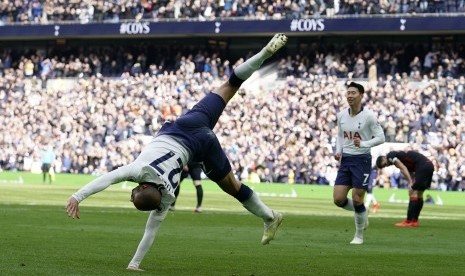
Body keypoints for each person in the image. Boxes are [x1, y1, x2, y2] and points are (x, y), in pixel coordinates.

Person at [66, 33, 288, 271]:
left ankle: (269, 216)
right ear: (142, 187)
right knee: (230, 84)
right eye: (133, 196)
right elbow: (107, 179)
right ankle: (265, 53)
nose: (130, 195)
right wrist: (77, 196)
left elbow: (151, 230)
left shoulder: (168, 196)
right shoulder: (138, 171)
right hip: (187, 125)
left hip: (200, 145)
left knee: (233, 187)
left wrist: (135, 263)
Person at [333, 81, 385, 245]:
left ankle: (359, 235)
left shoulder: (369, 116)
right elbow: (340, 136)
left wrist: (363, 144)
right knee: (338, 200)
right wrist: (338, 150)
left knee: (357, 198)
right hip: (346, 159)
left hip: (362, 159)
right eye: (348, 92)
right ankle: (363, 211)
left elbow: (381, 138)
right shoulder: (341, 115)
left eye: (353, 93)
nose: (350, 95)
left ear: (361, 95)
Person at [376, 150, 434, 227]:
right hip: (429, 166)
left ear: (384, 157)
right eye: (385, 166)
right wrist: (412, 181)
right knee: (419, 194)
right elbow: (407, 170)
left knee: (412, 192)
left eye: (385, 164)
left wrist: (410, 183)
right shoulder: (403, 159)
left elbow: (402, 167)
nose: (387, 165)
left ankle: (408, 221)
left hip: (423, 166)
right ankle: (414, 221)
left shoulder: (390, 156)